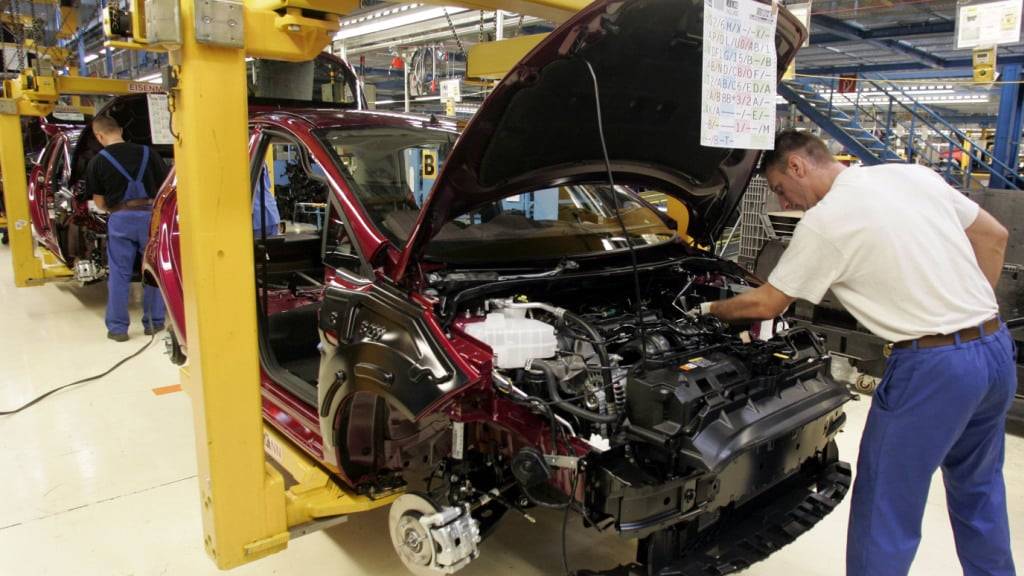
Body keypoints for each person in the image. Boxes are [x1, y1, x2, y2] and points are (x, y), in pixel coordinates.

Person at [690, 130, 1016, 576]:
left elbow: (766, 304)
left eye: (781, 189)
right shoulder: (911, 176)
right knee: (979, 490)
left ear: (797, 165)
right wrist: (966, 309)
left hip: (934, 368)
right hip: (993, 348)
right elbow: (995, 235)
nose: (786, 202)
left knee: (886, 506)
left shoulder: (826, 221)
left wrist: (707, 310)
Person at [86, 113, 168, 342]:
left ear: (99, 136)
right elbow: (165, 188)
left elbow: (99, 202)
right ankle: (154, 322)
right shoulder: (148, 153)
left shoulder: (98, 162)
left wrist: (115, 208)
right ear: (120, 130)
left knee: (119, 274)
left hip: (120, 219)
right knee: (152, 271)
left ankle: (118, 328)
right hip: (150, 218)